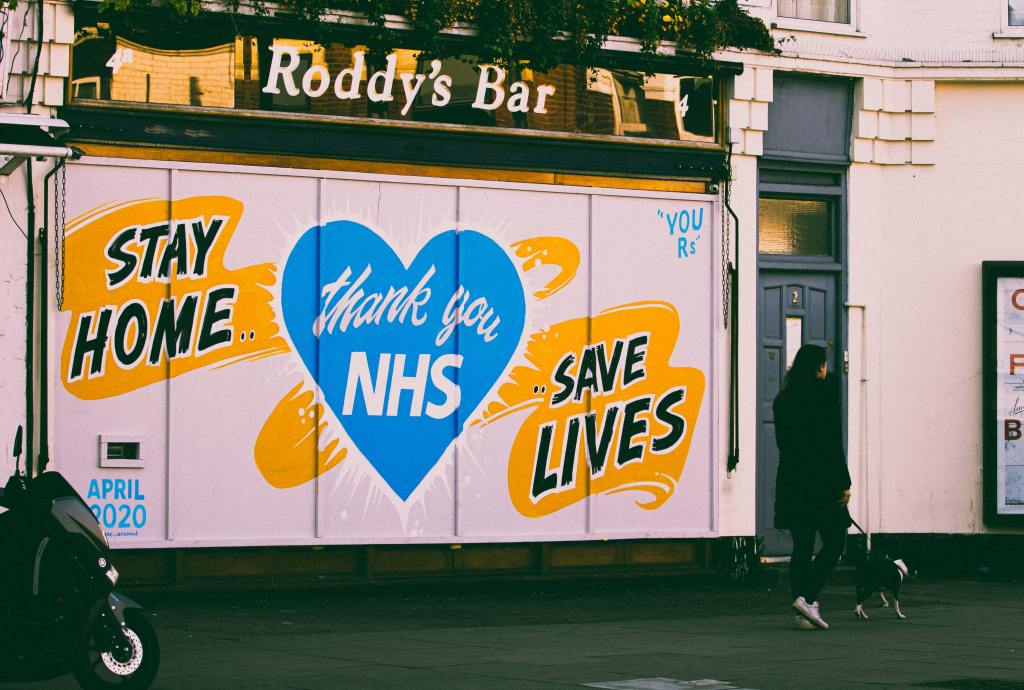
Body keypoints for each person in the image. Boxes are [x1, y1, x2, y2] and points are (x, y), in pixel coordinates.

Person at [773, 344, 851, 630]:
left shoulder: (782, 400)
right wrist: (844, 482)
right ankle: (808, 597)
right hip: (821, 483)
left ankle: (800, 612)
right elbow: (833, 444)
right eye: (824, 365)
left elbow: (783, 444)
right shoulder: (823, 397)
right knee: (835, 542)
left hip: (793, 482)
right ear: (819, 367)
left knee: (802, 546)